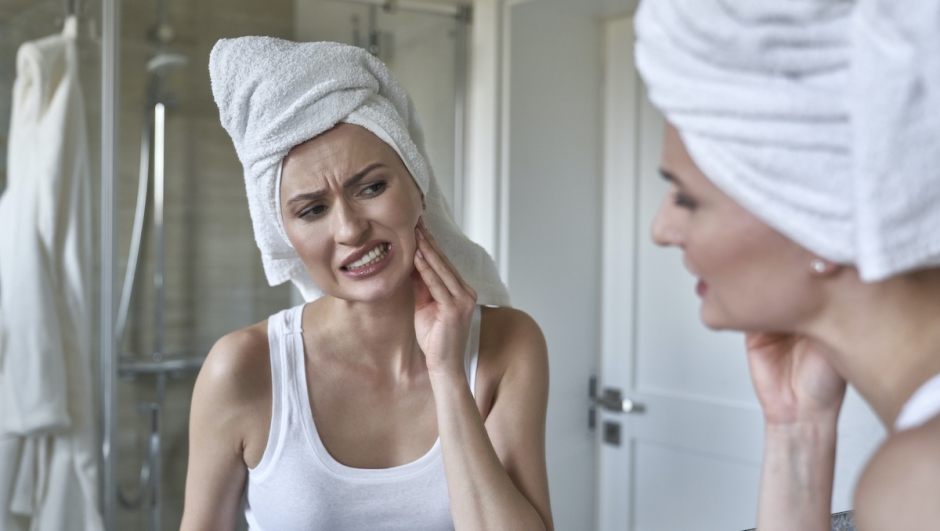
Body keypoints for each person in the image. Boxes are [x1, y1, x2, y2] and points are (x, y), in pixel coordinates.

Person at [180, 38, 553, 531]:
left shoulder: (508, 348)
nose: (350, 229)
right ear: (284, 235)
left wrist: (447, 373)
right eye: (312, 210)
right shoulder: (243, 371)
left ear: (417, 185)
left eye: (372, 187)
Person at [634, 1, 940, 530]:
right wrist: (796, 425)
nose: (661, 232)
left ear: (819, 220)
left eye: (685, 199)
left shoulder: (919, 481)